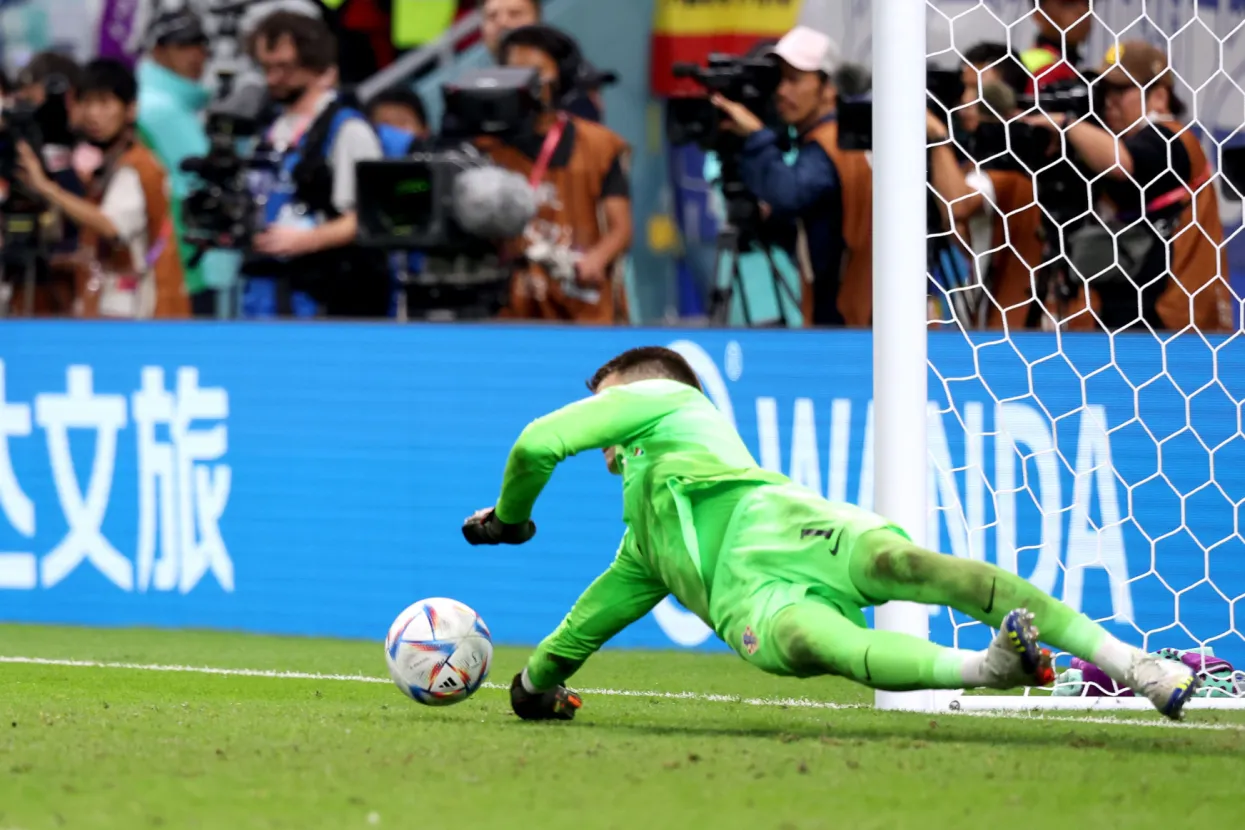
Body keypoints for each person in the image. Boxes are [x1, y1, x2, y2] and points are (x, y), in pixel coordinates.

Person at [461, 346, 1201, 722]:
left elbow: (534, 446)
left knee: (908, 563)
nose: (596, 435)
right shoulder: (644, 548)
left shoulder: (668, 404)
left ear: (644, 391)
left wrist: (510, 521)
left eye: (600, 410)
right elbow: (590, 621)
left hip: (789, 526)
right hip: (753, 607)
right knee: (821, 646)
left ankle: (1134, 665)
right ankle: (988, 670)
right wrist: (537, 684)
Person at [1031, 41, 1233, 333]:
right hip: (1129, 316)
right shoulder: (1117, 142)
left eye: (1121, 90)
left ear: (1159, 97)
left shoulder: (1173, 138)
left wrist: (1065, 124)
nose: (1109, 101)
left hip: (1173, 323)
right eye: (1105, 91)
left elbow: (1123, 163)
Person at [713, 26, 872, 327]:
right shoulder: (839, 139)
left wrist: (757, 136)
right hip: (851, 314)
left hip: (846, 322)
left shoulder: (830, 144)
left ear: (829, 88)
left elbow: (789, 194)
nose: (782, 92)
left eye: (795, 80)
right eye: (780, 80)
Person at [481, 24, 632, 324]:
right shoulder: (486, 149)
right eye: (515, 72)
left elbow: (621, 228)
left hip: (583, 306)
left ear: (560, 78)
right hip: (510, 310)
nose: (526, 83)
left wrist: (596, 259)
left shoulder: (601, 145)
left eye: (536, 72)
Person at [241, 10, 387, 318]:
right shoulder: (268, 128)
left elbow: (370, 216)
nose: (273, 78)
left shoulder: (348, 129)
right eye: (266, 67)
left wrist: (307, 240)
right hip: (265, 287)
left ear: (317, 67)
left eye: (284, 67)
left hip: (323, 294)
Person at [16, 59, 188, 318]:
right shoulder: (108, 163)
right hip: (114, 304)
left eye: (105, 103)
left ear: (131, 109)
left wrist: (45, 187)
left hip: (140, 311)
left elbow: (111, 226)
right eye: (86, 102)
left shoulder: (139, 166)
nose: (94, 114)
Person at [927, 42, 1046, 330]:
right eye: (964, 89)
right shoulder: (973, 156)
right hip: (988, 313)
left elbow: (959, 205)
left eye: (979, 91)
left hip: (1017, 321)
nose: (965, 101)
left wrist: (937, 136)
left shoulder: (1016, 156)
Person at [137, 8, 239, 318]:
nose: (197, 55)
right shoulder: (160, 109)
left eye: (201, 45)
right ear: (158, 51)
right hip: (189, 263)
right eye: (184, 47)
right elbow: (201, 191)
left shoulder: (166, 102)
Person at [1021, 0, 1092, 93]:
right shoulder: (1023, 67)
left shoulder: (1082, 65)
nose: (1083, 11)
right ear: (1039, 14)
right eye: (1068, 3)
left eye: (1087, 3)